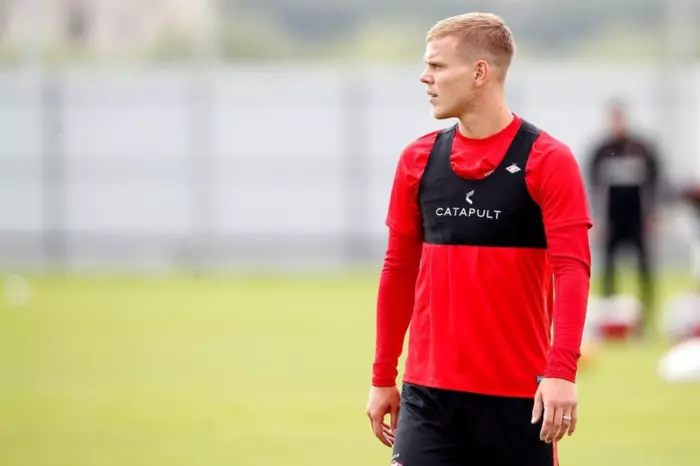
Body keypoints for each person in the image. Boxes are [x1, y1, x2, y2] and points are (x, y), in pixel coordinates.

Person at [365, 12, 593, 466]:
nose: (425, 77)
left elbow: (572, 271)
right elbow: (398, 270)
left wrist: (562, 372)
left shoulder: (548, 160)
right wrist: (383, 375)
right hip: (427, 399)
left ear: (479, 72)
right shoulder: (418, 159)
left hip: (518, 399)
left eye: (437, 65)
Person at [588, 101, 660, 334]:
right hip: (612, 221)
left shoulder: (642, 149)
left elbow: (655, 183)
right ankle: (608, 315)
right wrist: (596, 218)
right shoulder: (601, 151)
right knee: (609, 268)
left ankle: (647, 315)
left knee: (644, 267)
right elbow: (593, 187)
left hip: (637, 220)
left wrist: (653, 213)